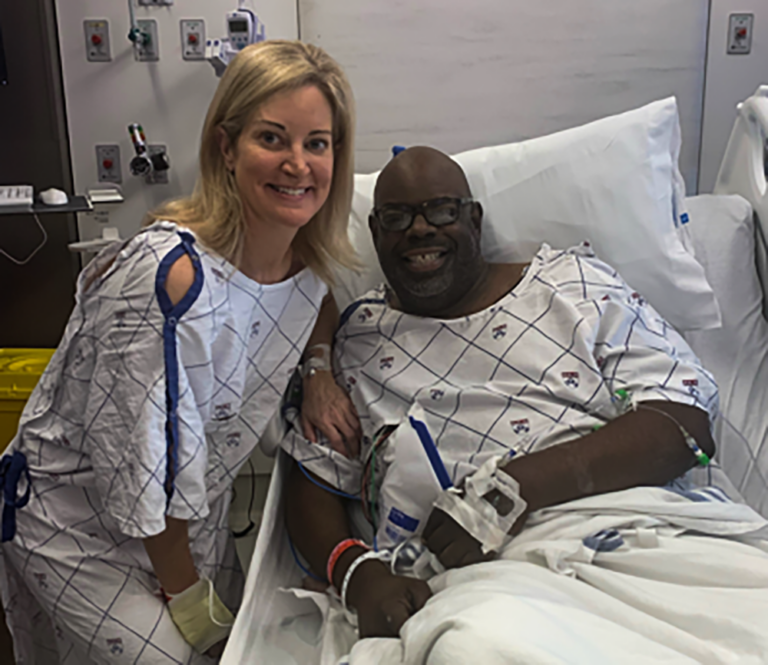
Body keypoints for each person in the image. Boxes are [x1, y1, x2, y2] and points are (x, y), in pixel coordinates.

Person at [278, 147, 768, 662]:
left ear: (474, 218)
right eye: (397, 219)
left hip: (641, 531)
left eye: (442, 210)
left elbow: (682, 424)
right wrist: (357, 574)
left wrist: (507, 494)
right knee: (474, 649)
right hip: (484, 580)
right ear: (376, 234)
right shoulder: (361, 339)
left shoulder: (572, 286)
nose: (419, 230)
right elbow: (313, 479)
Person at [0, 40, 360, 664]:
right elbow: (140, 462)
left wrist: (320, 368)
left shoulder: (307, 267)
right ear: (226, 146)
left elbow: (310, 303)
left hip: (190, 512)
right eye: (272, 139)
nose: (298, 164)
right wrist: (187, 597)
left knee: (235, 644)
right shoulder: (169, 277)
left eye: (317, 143)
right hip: (75, 517)